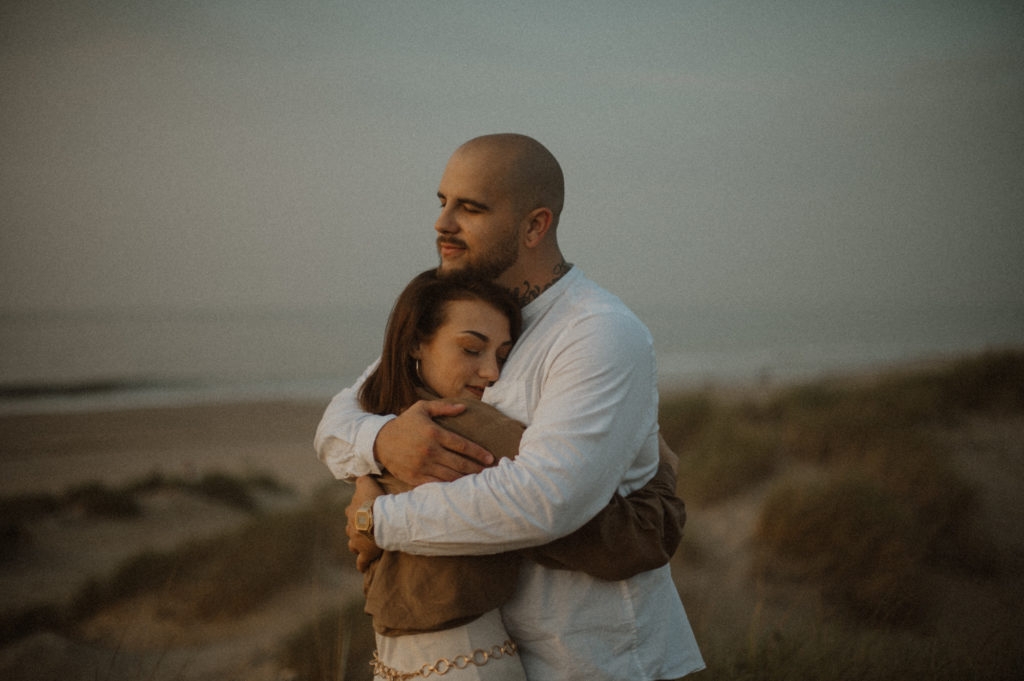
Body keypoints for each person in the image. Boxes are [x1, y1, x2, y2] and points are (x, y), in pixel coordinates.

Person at [316, 133, 704, 680]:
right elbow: (339, 419)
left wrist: (377, 518)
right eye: (442, 201)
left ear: (534, 226)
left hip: (594, 662)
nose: (442, 224)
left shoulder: (597, 333)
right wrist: (379, 446)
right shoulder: (465, 313)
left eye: (469, 208)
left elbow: (546, 499)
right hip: (482, 658)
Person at [354, 268, 688, 679]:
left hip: (395, 659)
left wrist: (369, 508)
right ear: (416, 344)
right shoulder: (465, 425)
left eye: (502, 355)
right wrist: (663, 478)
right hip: (467, 661)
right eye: (471, 349)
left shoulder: (380, 418)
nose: (492, 373)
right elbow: (603, 535)